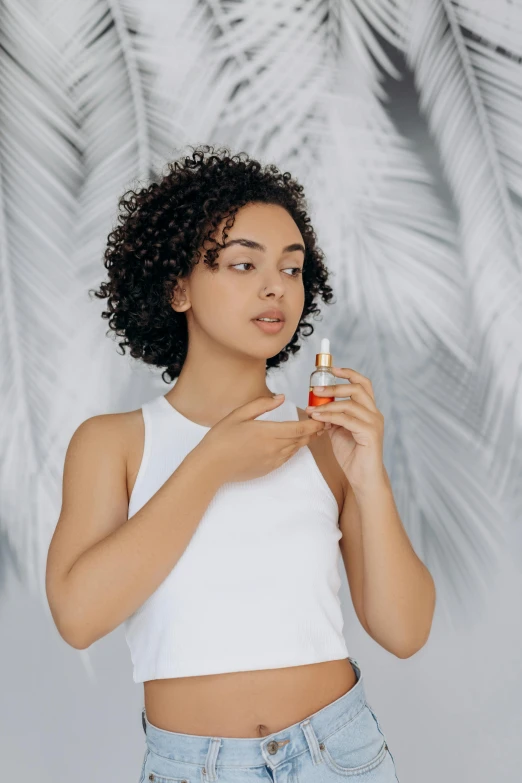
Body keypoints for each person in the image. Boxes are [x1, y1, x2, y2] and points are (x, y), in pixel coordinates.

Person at [46, 144, 435, 782]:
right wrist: (210, 464)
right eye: (241, 263)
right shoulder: (113, 443)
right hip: (194, 768)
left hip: (339, 758)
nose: (274, 286)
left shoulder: (322, 443)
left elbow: (404, 631)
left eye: (291, 267)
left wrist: (370, 477)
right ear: (177, 288)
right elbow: (78, 617)